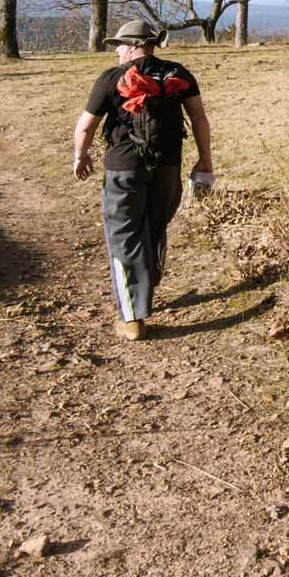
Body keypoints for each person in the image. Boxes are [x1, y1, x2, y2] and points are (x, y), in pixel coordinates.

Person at [72, 19, 214, 340]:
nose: (118, 51)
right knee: (153, 226)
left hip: (124, 170)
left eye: (120, 45)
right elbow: (199, 119)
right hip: (168, 168)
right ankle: (146, 287)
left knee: (124, 236)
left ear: (133, 45)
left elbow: (85, 127)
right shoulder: (178, 73)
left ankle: (132, 317)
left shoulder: (111, 78)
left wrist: (80, 156)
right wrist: (205, 161)